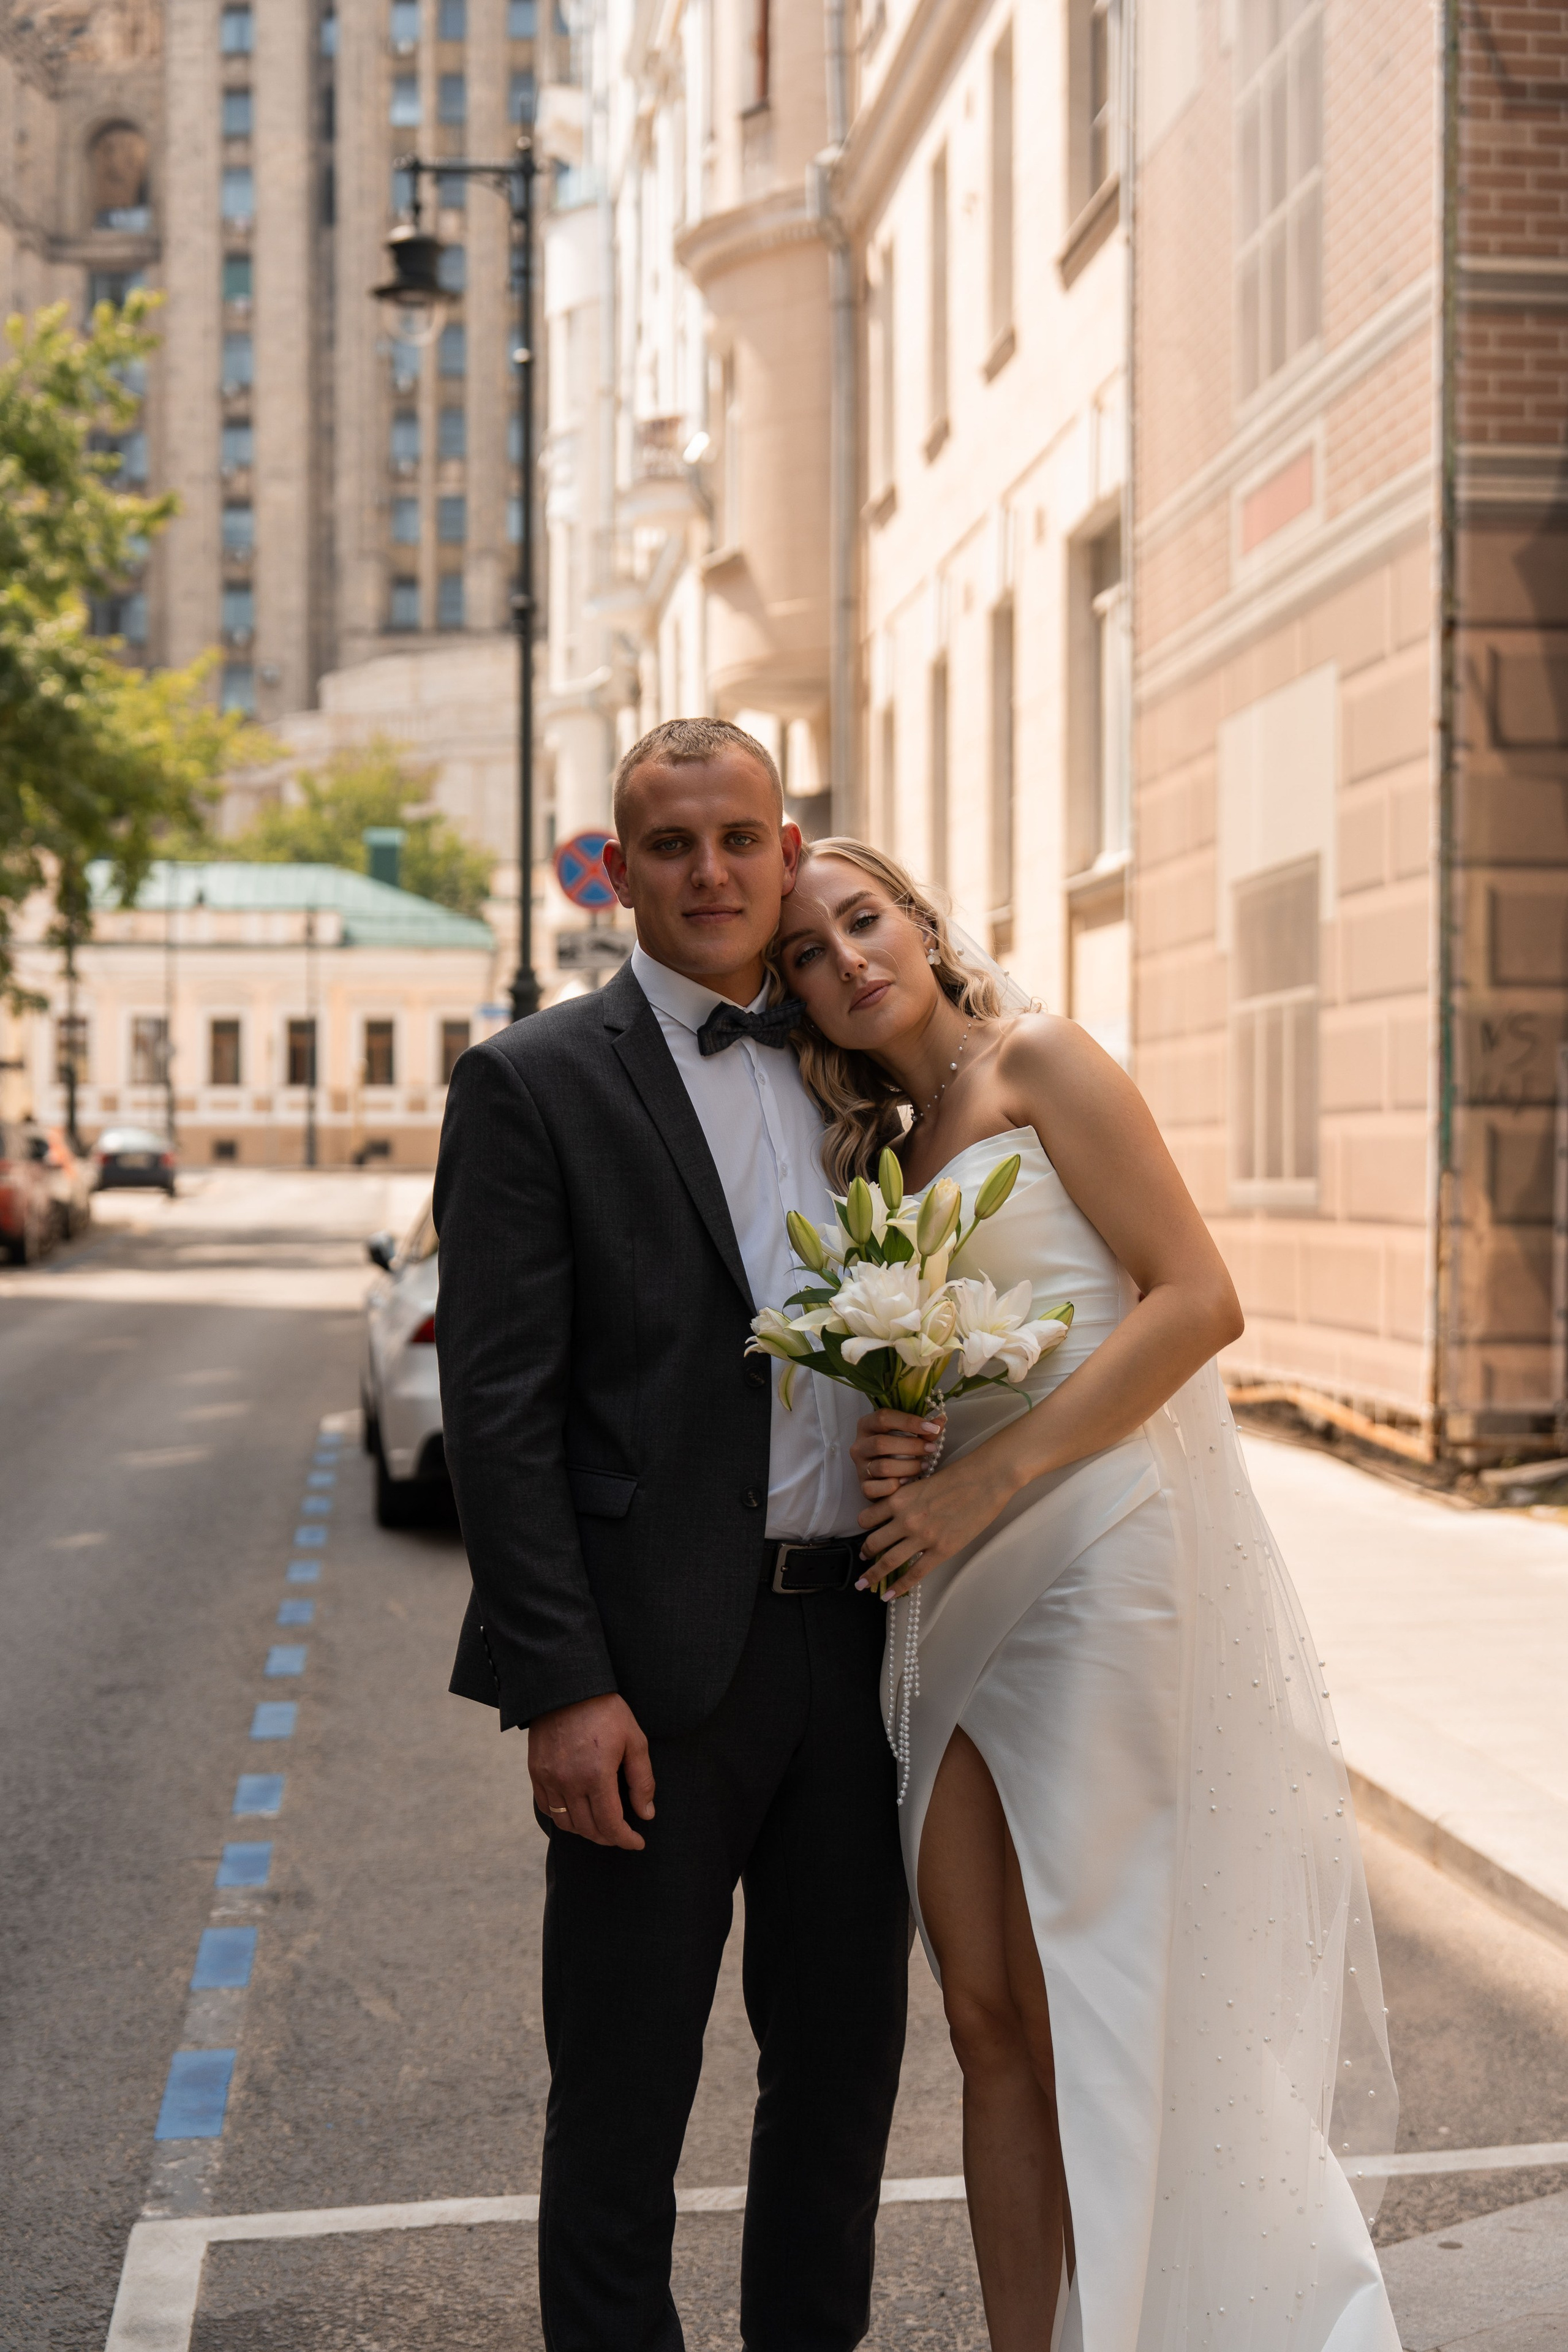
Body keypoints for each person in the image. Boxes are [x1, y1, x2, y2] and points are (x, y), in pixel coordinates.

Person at [769, 837, 1401, 2352]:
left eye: (859, 922)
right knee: (984, 2020)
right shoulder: (874, 1161)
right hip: (935, 1580)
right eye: (804, 952)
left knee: (1095, 1993)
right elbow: (936, 1371)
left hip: (1091, 1566)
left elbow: (1195, 1297)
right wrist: (900, 1438)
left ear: (917, 926)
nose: (843, 959)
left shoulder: (1039, 1060)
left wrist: (985, 1480)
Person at [432, 725, 908, 2352]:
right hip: (648, 1677)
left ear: (787, 846)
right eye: (669, 846)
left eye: (736, 839)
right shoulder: (533, 1082)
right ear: (616, 869)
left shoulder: (870, 1057)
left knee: (840, 2094)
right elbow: (502, 1410)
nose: (708, 872)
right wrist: (561, 1684)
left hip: (867, 1645)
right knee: (626, 2104)